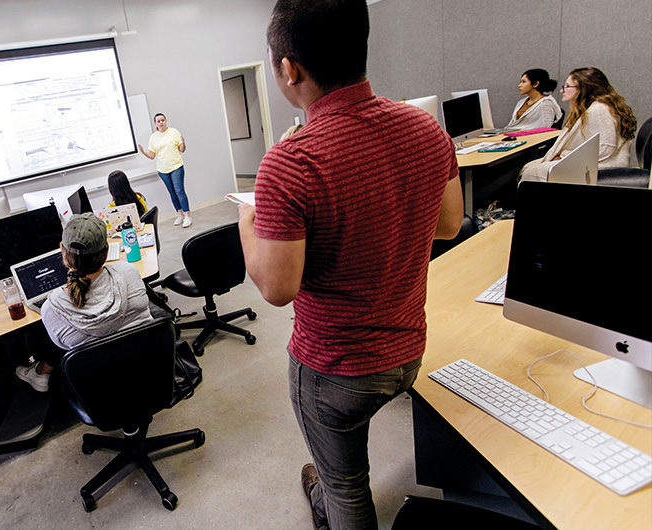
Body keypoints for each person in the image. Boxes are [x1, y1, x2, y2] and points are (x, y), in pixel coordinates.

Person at [238, 1, 463, 529]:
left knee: (345, 487)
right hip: (408, 351)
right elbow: (449, 224)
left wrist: (249, 221)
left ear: (288, 68)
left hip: (333, 371)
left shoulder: (288, 164)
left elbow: (276, 288)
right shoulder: (426, 129)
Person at [15, 213, 154, 392]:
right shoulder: (129, 273)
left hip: (99, 391)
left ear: (62, 251)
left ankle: (40, 372)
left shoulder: (52, 308)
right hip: (149, 373)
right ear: (106, 250)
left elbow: (61, 348)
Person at [519, 67, 637, 182]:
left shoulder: (599, 110)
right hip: (589, 163)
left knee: (532, 171)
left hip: (601, 168)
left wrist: (564, 157)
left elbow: (605, 148)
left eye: (567, 86)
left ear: (583, 89)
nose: (562, 90)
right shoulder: (591, 108)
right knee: (529, 167)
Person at [138, 113, 192, 228]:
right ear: (156, 124)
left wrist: (183, 142)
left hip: (176, 166)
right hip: (163, 170)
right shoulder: (153, 137)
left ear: (166, 121)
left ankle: (187, 216)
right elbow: (152, 155)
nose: (161, 122)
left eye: (163, 120)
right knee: (172, 193)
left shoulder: (174, 132)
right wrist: (143, 152)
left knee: (179, 191)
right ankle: (179, 214)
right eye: (158, 121)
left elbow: (182, 150)